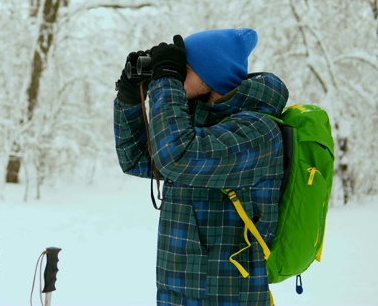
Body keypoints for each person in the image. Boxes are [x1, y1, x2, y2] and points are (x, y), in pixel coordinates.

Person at [114, 28, 288, 305]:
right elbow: (136, 159)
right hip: (178, 294)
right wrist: (131, 97)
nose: (177, 74)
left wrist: (166, 79)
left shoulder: (257, 131)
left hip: (226, 296)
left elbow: (175, 157)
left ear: (211, 74)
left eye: (184, 68)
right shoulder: (198, 125)